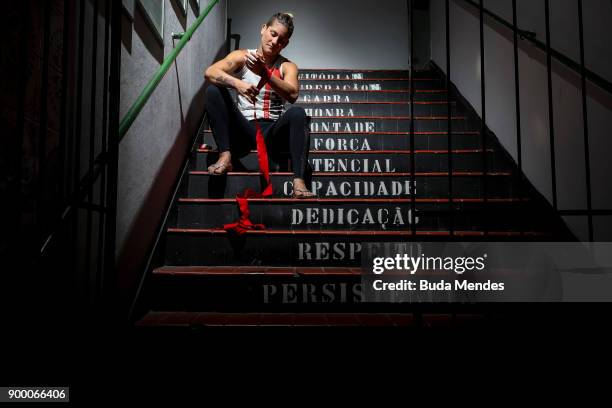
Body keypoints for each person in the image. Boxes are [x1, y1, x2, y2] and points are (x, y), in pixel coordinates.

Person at [203, 12, 315, 198]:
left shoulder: (287, 66)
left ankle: (299, 181)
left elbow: (293, 94)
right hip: (244, 129)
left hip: (273, 131)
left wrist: (265, 74)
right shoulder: (243, 56)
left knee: (297, 113)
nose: (275, 41)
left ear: (285, 44)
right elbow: (210, 72)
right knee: (213, 91)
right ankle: (225, 154)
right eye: (273, 33)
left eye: (281, 40)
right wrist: (238, 84)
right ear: (263, 29)